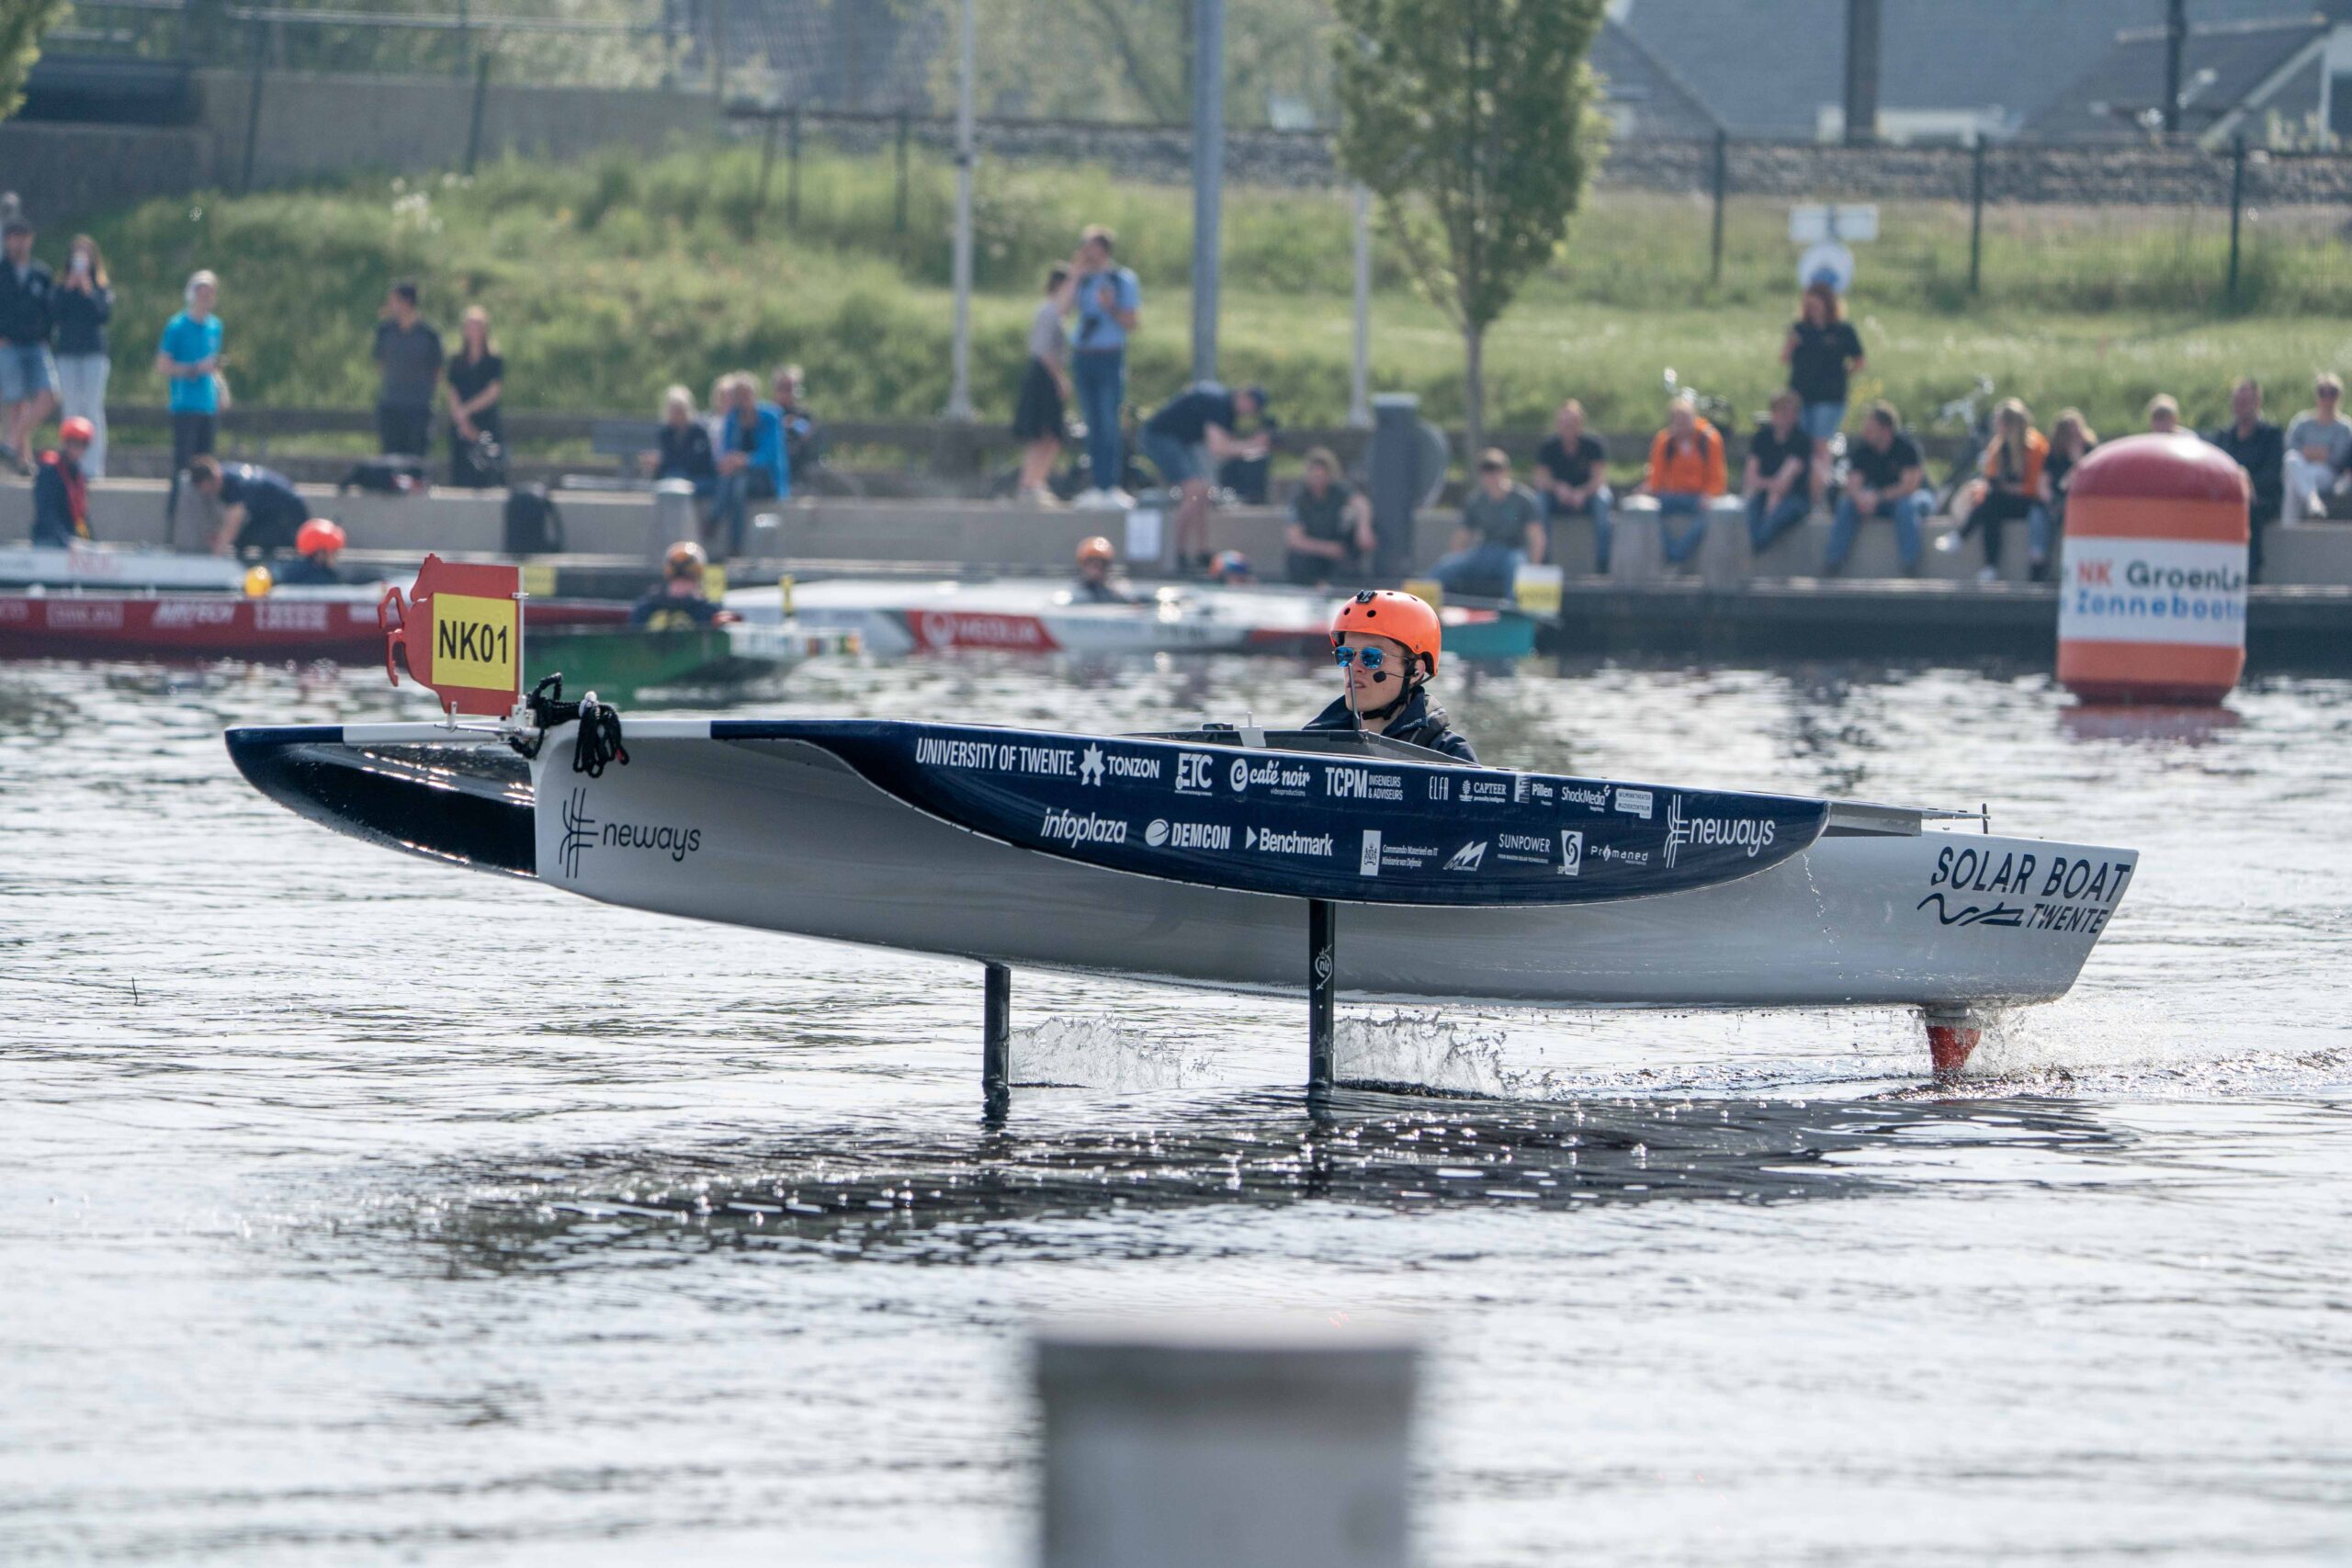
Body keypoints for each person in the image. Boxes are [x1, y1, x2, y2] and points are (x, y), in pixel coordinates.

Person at [1303, 590, 1476, 761]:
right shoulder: (1308, 745)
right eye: (1345, 654)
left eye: (1371, 657)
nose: (1354, 667)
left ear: (1416, 671)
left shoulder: (1450, 755)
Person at [1140, 381, 1269, 572]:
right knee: (1193, 490)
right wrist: (1253, 445)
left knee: (1203, 492)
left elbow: (1225, 446)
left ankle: (1201, 552)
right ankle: (1178, 554)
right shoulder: (1219, 404)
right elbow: (1219, 448)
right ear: (1244, 397)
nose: (1249, 412)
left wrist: (1250, 447)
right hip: (1161, 437)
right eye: (1252, 406)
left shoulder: (1225, 409)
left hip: (1181, 441)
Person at [1069, 225, 1141, 507]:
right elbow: (1064, 307)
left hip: (1109, 357)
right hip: (1083, 356)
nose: (1087, 252)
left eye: (1091, 246)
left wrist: (1111, 306)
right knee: (1091, 423)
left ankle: (1110, 485)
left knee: (1109, 421)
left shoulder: (1121, 280)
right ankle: (1096, 485)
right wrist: (1075, 275)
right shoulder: (1083, 280)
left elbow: (1132, 323)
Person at [1825, 400, 1931, 575]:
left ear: (1886, 429)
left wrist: (1877, 497)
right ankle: (1833, 561)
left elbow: (1909, 486)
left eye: (1871, 427)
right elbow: (1852, 484)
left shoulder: (1906, 448)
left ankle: (1910, 564)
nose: (1865, 431)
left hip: (1910, 498)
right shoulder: (1862, 451)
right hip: (1875, 500)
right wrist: (1861, 499)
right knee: (1846, 505)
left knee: (1906, 507)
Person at [157, 269, 223, 533]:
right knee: (183, 468)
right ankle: (174, 524)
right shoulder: (177, 326)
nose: (205, 297)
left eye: (210, 292)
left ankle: (205, 525)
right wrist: (194, 369)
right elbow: (163, 365)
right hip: (185, 404)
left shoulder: (215, 326)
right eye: (200, 291)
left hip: (207, 404)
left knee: (207, 468)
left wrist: (221, 388)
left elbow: (214, 364)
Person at [1431, 448, 1544, 598]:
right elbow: (1462, 536)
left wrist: (1534, 568)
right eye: (1486, 469)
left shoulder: (1523, 499)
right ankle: (1424, 607)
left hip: (1514, 551)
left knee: (1517, 569)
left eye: (1496, 468)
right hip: (1486, 551)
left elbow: (1536, 536)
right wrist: (1456, 559)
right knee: (1445, 566)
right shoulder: (1476, 500)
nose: (1491, 474)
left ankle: (1515, 613)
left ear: (1506, 470)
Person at [1958, 398, 2046, 581]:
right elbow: (1990, 478)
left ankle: (1962, 534)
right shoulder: (1997, 446)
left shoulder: (2036, 446)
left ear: (2009, 424)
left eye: (1999, 422)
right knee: (1990, 508)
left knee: (1993, 500)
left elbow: (2033, 488)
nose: (1996, 427)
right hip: (2004, 501)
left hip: (2029, 502)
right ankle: (1990, 566)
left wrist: (2007, 488)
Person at [1634, 395, 1727, 565]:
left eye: (1686, 420)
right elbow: (1656, 477)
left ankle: (1679, 553)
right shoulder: (1664, 440)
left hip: (1699, 497)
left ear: (1694, 418)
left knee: (1709, 517)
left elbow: (1717, 478)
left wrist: (1709, 495)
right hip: (1672, 495)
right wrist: (1647, 492)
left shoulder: (1710, 439)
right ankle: (1671, 551)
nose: (1682, 426)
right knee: (1649, 511)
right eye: (1678, 422)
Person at [2206, 377, 2281, 582]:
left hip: (2259, 500)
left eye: (2245, 402)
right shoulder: (2223, 437)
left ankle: (2250, 576)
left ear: (2257, 403)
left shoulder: (2271, 435)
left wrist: (2245, 482)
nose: (2239, 407)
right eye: (2237, 402)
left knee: (2248, 512)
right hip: (2225, 498)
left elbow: (2271, 475)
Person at [1012, 263, 1076, 505]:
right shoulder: (1049, 312)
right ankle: (1029, 484)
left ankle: (1035, 482)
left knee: (1052, 434)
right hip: (1044, 375)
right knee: (1042, 433)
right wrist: (1059, 378)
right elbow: (1043, 351)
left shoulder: (1057, 314)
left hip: (1048, 374)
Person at [50, 234, 111, 480]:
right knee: (72, 407)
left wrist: (87, 289)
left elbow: (103, 315)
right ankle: (71, 465)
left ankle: (94, 466)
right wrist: (68, 287)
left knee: (92, 407)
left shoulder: (100, 287)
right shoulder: (60, 286)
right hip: (67, 353)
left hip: (94, 354)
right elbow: (53, 313)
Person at [0, 214, 57, 475]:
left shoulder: (41, 273)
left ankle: (10, 443)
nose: (18, 243)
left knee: (48, 396)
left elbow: (50, 309)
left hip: (36, 344)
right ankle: (23, 461)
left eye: (22, 238)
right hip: (8, 344)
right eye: (13, 238)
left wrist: (46, 336)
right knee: (17, 403)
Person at [708, 371, 787, 558]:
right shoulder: (732, 419)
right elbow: (728, 450)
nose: (742, 400)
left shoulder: (770, 417)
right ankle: (727, 538)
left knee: (738, 483)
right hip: (739, 477)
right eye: (738, 396)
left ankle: (716, 522)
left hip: (765, 478)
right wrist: (729, 461)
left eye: (746, 395)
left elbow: (769, 455)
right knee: (735, 482)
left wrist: (744, 460)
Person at [1782, 280, 1864, 446]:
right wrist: (1791, 343)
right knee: (1800, 443)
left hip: (1829, 396)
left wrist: (1841, 374)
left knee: (1820, 443)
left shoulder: (1842, 331)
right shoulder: (1800, 329)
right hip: (1801, 395)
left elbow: (1859, 360)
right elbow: (1785, 359)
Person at [1532, 399, 1611, 572]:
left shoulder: (1593, 445)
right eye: (1564, 423)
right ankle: (1543, 560)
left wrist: (1582, 492)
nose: (1568, 428)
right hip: (1557, 496)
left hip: (1587, 495)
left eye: (1572, 423)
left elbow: (1599, 479)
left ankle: (1602, 562)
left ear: (1580, 424)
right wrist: (1558, 488)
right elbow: (1540, 479)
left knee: (1603, 500)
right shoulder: (1548, 446)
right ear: (1557, 425)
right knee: (1539, 502)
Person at [1284, 446, 1375, 587]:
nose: (1318, 480)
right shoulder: (1299, 498)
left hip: (1334, 543)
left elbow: (1361, 504)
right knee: (1296, 559)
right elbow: (1295, 539)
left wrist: (1364, 529)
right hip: (1313, 550)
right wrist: (1326, 548)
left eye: (1322, 476)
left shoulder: (1338, 490)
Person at [371, 281, 443, 457]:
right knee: (390, 460)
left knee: (416, 460)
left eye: (393, 301)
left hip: (419, 407)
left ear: (407, 302)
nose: (389, 306)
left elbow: (437, 371)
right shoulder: (384, 331)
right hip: (391, 404)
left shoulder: (429, 335)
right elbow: (380, 364)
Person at [192, 455, 309, 557]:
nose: (211, 494)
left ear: (215, 478)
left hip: (289, 516)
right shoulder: (225, 475)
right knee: (241, 541)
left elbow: (234, 521)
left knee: (257, 538)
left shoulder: (236, 483)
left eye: (211, 489)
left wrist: (217, 555)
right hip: (269, 515)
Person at [1743, 390, 1814, 555]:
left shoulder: (1801, 440)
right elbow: (1750, 477)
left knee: (1773, 523)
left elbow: (1784, 483)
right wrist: (1769, 488)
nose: (1787, 416)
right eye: (1782, 411)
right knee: (1752, 514)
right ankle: (1755, 547)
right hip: (1763, 495)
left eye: (1792, 412)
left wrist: (1769, 488)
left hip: (1796, 497)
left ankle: (1756, 548)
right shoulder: (1762, 437)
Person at [2030, 408, 2096, 581]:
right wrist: (2052, 500)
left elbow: (2090, 479)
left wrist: (2077, 460)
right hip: (2057, 502)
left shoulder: (2091, 450)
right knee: (2038, 514)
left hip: (2082, 502)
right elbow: (2043, 485)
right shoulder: (2054, 455)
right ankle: (2038, 561)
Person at [444, 306, 503, 489]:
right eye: (470, 326)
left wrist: (466, 411)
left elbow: (492, 392)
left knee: (486, 470)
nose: (474, 330)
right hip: (462, 423)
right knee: (461, 471)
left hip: (484, 421)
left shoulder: (494, 360)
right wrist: (461, 418)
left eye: (478, 326)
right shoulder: (456, 360)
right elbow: (451, 390)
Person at [2282, 373, 2350, 523]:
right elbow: (2290, 449)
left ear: (2339, 397)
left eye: (2332, 392)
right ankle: (2313, 501)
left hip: (2327, 475)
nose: (2327, 398)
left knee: (2295, 479)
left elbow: (2338, 458)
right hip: (2300, 468)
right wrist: (2322, 452)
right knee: (2292, 461)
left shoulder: (2344, 428)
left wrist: (2307, 452)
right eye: (2322, 392)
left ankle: (2289, 526)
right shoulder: (2301, 423)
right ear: (2316, 396)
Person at [630, 540, 735, 630]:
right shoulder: (646, 609)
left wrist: (720, 627)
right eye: (677, 583)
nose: (680, 588)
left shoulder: (708, 613)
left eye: (686, 582)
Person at [29, 416, 94, 547]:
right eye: (74, 443)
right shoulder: (49, 472)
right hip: (47, 540)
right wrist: (67, 542)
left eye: (83, 445)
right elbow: (47, 514)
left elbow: (80, 518)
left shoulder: (78, 475)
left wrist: (89, 542)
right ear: (66, 443)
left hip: (70, 542)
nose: (78, 449)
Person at [643, 384, 717, 497]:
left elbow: (702, 462)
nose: (677, 415)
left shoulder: (699, 432)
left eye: (680, 411)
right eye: (674, 411)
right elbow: (665, 462)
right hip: (672, 476)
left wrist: (665, 461)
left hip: (696, 478)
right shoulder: (665, 433)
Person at [771, 364, 820, 484]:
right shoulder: (769, 413)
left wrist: (794, 424)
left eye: (790, 388)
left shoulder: (802, 414)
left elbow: (810, 434)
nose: (786, 393)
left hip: (798, 462)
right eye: (782, 388)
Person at [1071, 535, 1139, 604]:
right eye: (1090, 561)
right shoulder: (1073, 592)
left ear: (1107, 565)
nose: (1096, 566)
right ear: (1082, 564)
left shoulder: (1119, 589)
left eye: (1101, 562)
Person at [277, 519, 347, 586]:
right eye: (334, 552)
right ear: (321, 554)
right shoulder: (325, 579)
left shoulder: (288, 573)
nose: (336, 556)